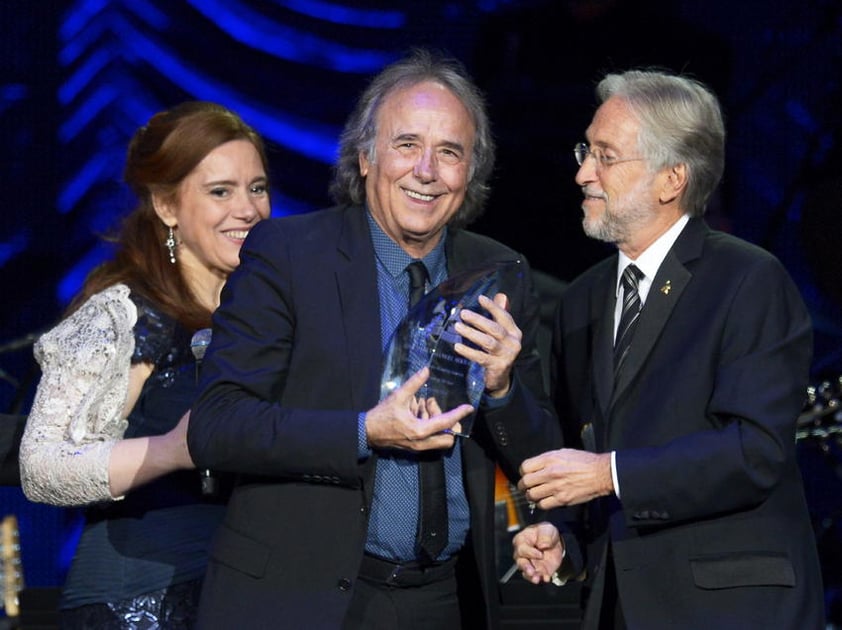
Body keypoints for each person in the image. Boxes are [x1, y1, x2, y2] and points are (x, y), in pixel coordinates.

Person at [186, 49, 559, 630]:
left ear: (471, 173)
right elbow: (217, 427)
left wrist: (505, 387)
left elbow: (539, 455)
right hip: (300, 596)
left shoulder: (500, 272)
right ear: (364, 157)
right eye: (407, 145)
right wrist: (364, 431)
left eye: (450, 153)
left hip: (444, 600)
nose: (427, 170)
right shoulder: (286, 255)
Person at [512, 69, 826, 629]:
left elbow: (754, 452)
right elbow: (577, 456)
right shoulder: (581, 301)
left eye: (606, 156)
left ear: (671, 179)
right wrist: (563, 537)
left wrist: (609, 474)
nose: (583, 172)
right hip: (619, 607)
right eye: (586, 150)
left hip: (729, 609)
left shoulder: (747, 279)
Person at [19, 101, 271, 628]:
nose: (247, 209)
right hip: (142, 606)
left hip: (248, 595)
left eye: (258, 188)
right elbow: (43, 467)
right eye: (220, 191)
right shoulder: (126, 315)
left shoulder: (270, 318)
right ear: (166, 205)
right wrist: (169, 450)